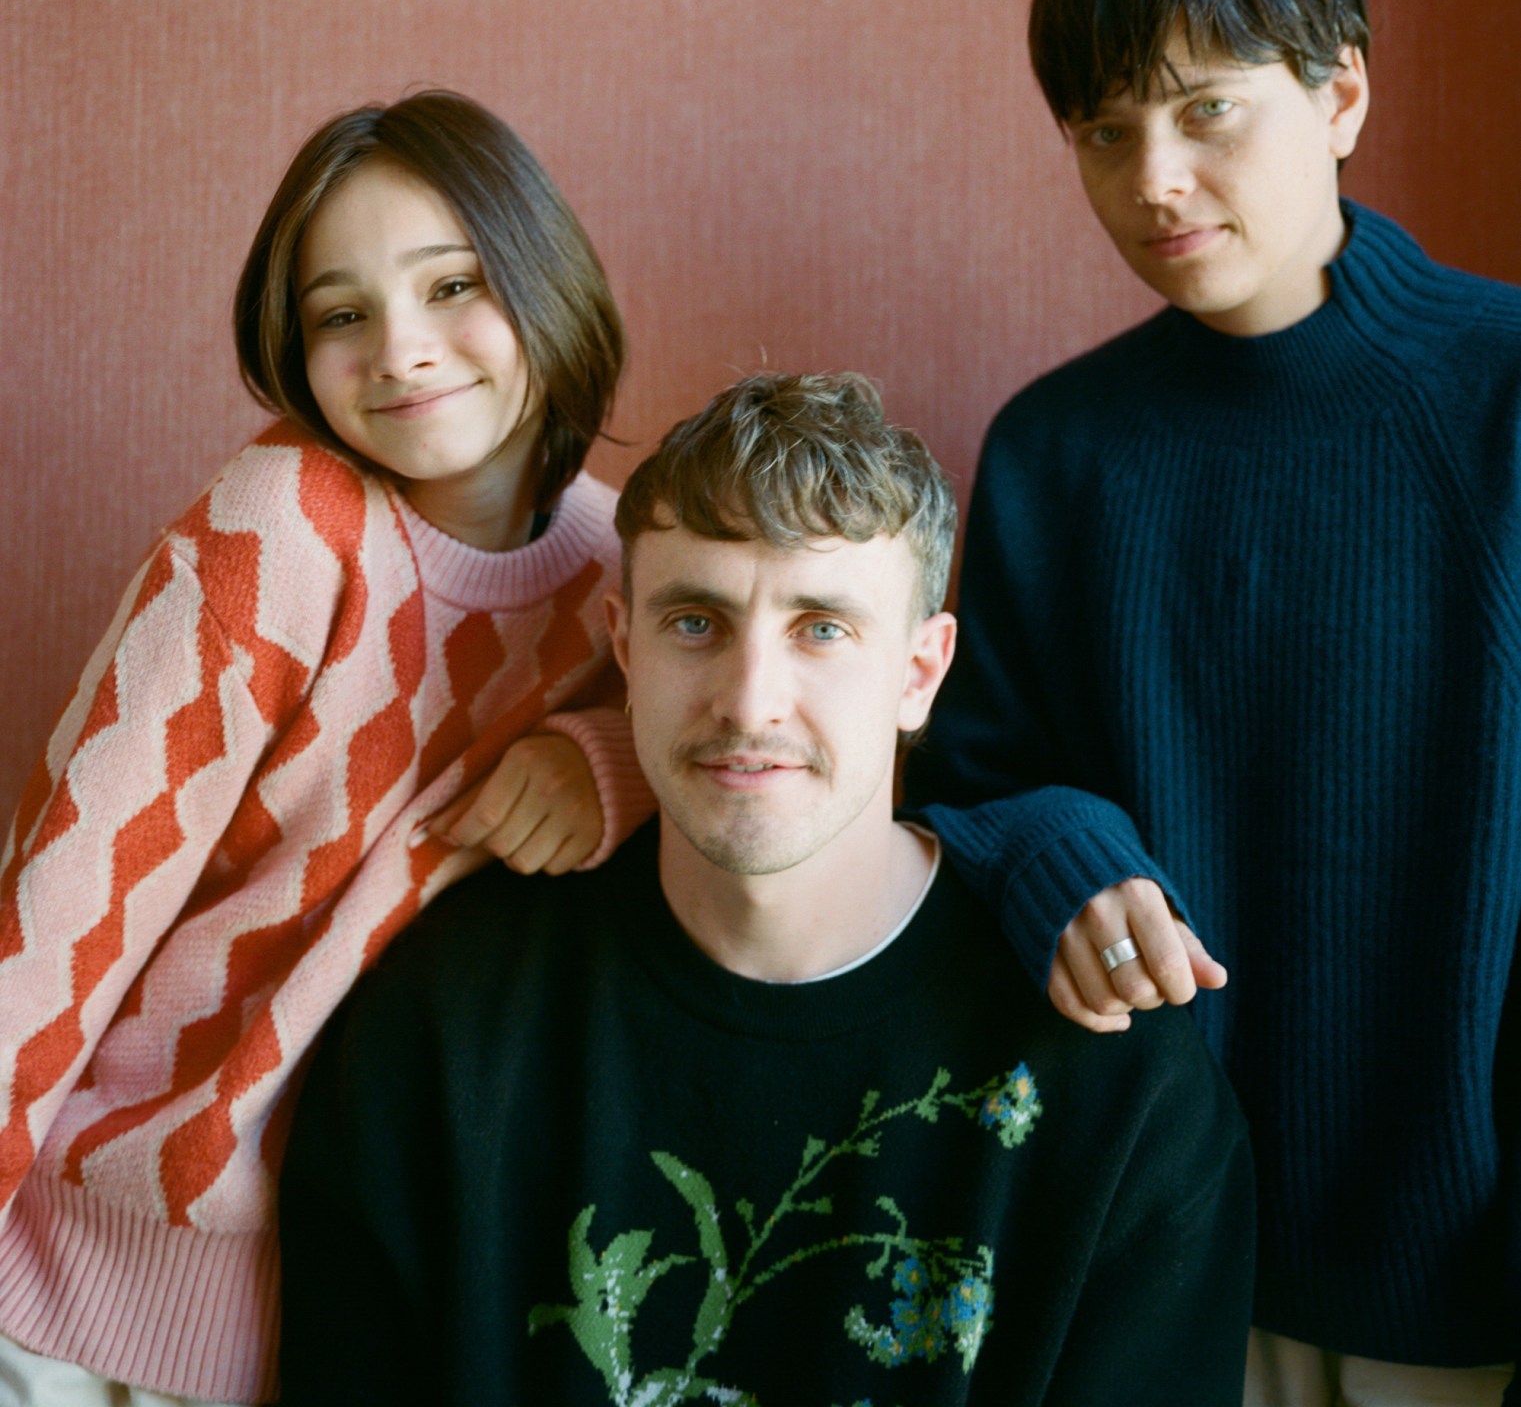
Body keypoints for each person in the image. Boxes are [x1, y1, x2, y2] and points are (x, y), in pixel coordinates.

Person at [278, 371, 1255, 1406]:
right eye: (695, 621)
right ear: (624, 642)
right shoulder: (443, 1026)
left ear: (921, 672)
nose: (749, 702)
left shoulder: (1119, 1082)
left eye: (822, 627)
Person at [906, 0, 1521, 1406]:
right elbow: (972, 783)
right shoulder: (1059, 449)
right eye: (1103, 133)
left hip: (1467, 1278)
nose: (1153, 178)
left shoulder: (1504, 398)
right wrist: (1065, 861)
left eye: (1204, 112)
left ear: (1342, 96)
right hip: (1156, 1253)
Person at [0, 91, 655, 1407]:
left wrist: (611, 761)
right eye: (340, 313)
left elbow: (767, 744)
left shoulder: (626, 564)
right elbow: (68, 906)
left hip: (379, 1290)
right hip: (91, 1261)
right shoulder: (284, 522)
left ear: (546, 278)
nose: (400, 350)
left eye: (452, 284)